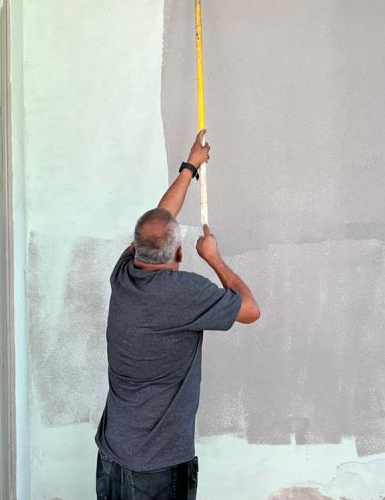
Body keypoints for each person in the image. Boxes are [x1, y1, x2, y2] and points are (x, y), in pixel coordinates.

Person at [95, 130, 261, 499]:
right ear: (180, 254)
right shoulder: (184, 293)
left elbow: (159, 221)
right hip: (157, 468)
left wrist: (190, 167)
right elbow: (250, 310)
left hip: (112, 454)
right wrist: (215, 259)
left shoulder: (123, 275)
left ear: (136, 247)